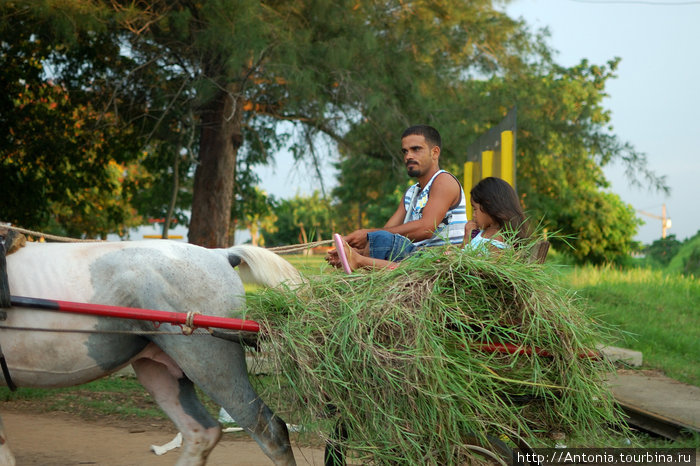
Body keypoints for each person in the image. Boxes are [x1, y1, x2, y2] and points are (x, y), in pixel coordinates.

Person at [326, 125, 467, 270]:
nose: (408, 156)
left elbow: (426, 228)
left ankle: (359, 262)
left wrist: (367, 234)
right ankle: (356, 260)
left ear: (435, 152)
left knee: (380, 238)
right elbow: (387, 231)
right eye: (405, 151)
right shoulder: (411, 193)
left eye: (416, 149)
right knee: (379, 239)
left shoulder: (444, 181)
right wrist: (353, 251)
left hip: (440, 260)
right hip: (416, 257)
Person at [332, 177, 528, 272]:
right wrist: (466, 240)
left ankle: (359, 261)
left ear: (490, 208)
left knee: (406, 269)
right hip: (447, 271)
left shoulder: (499, 241)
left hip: (449, 281)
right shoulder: (488, 233)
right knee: (406, 263)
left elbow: (479, 272)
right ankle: (356, 259)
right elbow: (467, 257)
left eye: (476, 209)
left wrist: (453, 258)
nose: (474, 215)